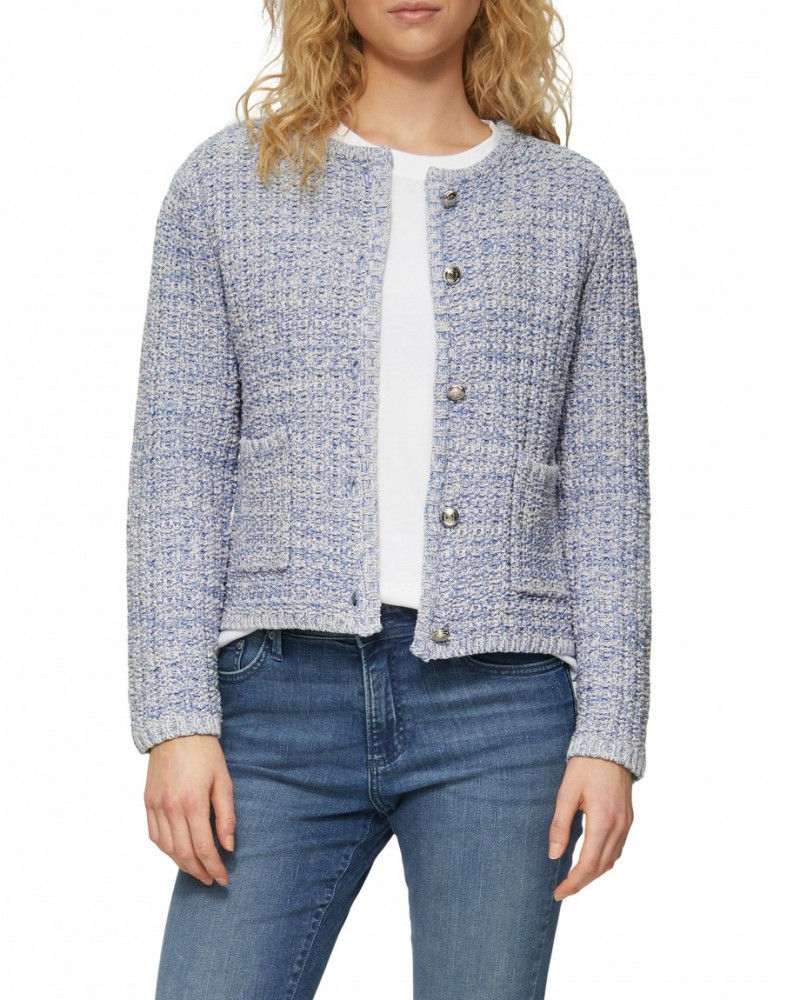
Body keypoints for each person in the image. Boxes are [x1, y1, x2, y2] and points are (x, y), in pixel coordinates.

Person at [126, 1, 651, 997]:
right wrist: (175, 716)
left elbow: (608, 487)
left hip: (504, 711)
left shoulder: (574, 206)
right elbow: (179, 466)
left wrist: (612, 734)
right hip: (274, 699)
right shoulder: (226, 186)